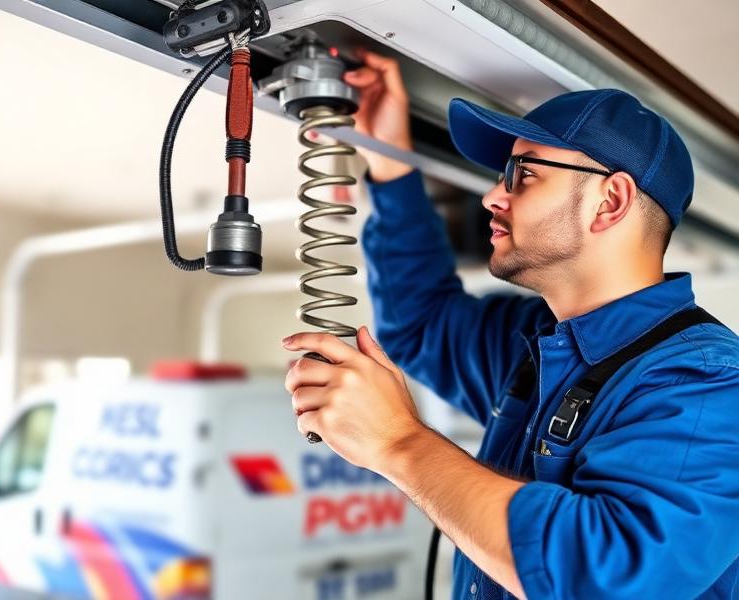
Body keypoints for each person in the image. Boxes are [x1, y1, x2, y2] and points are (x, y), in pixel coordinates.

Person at [282, 49, 739, 599]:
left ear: (610, 201)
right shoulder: (536, 345)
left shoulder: (706, 383)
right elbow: (423, 322)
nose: (492, 195)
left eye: (523, 174)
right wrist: (390, 159)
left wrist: (399, 442)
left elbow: (602, 576)